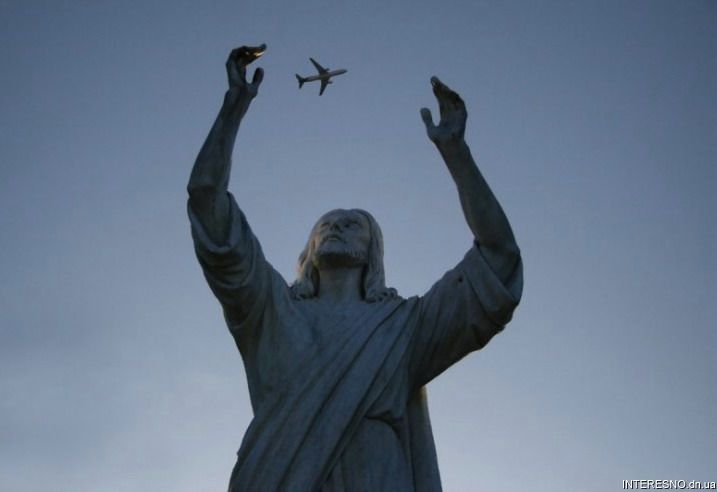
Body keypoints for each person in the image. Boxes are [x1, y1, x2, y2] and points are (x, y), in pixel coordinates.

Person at [187, 46, 523, 492]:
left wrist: (456, 154)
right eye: (325, 225)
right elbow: (208, 207)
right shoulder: (270, 312)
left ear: (372, 252)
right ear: (309, 249)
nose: (336, 228)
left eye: (352, 225)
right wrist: (232, 108)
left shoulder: (402, 328)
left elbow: (498, 261)